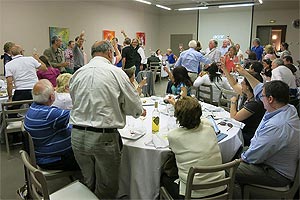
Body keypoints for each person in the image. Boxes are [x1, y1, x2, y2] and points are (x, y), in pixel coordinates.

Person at [69, 40, 145, 199]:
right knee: (107, 186)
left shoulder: (77, 73)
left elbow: (75, 100)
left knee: (88, 181)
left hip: (76, 135)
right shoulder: (116, 73)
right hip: (103, 137)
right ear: (110, 53)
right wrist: (136, 111)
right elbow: (135, 106)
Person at [234, 65, 299, 196]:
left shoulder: (278, 125)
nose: (259, 98)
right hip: (271, 160)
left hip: (275, 173)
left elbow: (253, 157)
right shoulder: (287, 107)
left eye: (262, 97)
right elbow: (259, 88)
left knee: (226, 171)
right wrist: (244, 73)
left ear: (270, 99)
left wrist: (237, 160)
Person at [163, 96, 225, 199]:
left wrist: (179, 108)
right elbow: (202, 120)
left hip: (193, 195)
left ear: (177, 117)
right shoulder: (209, 127)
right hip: (220, 188)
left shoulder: (173, 136)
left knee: (164, 178)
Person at [24, 79, 79, 171]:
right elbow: (79, 113)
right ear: (52, 97)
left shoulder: (33, 108)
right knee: (89, 157)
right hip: (53, 160)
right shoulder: (50, 114)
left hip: (42, 153)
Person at [221, 63, 265, 146]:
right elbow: (234, 84)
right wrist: (225, 70)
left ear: (248, 87)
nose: (241, 84)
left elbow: (234, 117)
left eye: (243, 83)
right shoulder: (247, 94)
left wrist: (233, 102)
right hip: (241, 128)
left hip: (248, 135)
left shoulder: (254, 103)